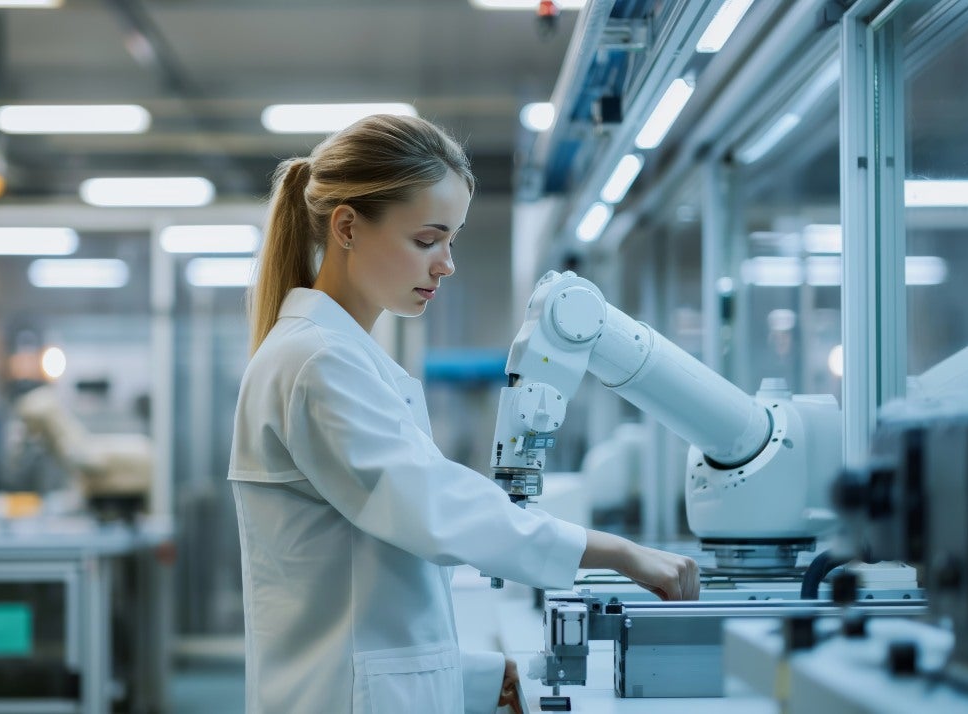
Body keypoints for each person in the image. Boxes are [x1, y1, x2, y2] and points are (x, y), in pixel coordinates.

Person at [229, 114, 700, 714]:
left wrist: (478, 677)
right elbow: (432, 505)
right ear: (347, 227)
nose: (446, 263)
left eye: (450, 241)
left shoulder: (336, 355)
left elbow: (368, 591)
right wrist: (614, 551)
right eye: (427, 240)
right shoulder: (317, 362)